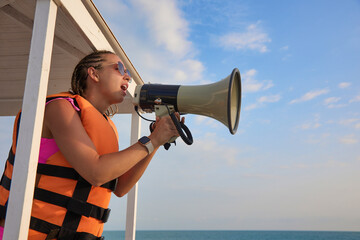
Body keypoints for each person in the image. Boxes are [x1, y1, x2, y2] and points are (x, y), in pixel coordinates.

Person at [0, 50, 182, 240]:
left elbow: (120, 187)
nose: (127, 75)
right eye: (119, 68)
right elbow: (96, 173)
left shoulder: (108, 125)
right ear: (94, 74)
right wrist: (152, 140)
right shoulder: (59, 108)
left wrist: (157, 139)